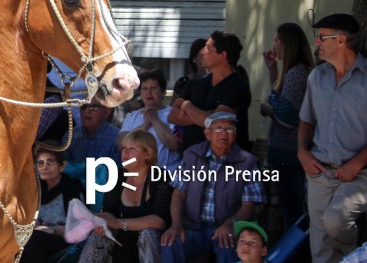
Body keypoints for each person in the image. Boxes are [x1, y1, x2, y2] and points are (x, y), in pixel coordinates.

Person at [298, 13, 367, 263]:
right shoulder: (317, 77)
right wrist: (302, 153)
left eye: (322, 37)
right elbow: (306, 121)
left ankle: (356, 257)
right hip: (319, 172)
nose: (317, 42)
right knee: (320, 249)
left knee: (335, 220)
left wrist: (356, 164)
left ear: (341, 40)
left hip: (360, 173)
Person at [160, 111, 266, 263]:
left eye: (229, 129)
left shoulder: (247, 162)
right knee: (171, 241)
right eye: (218, 128)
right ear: (207, 134)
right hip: (193, 227)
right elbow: (178, 194)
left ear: (235, 135)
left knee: (229, 244)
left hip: (224, 227)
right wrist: (176, 225)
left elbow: (248, 205)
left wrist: (229, 225)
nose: (224, 133)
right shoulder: (192, 155)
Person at [77, 130, 172, 263]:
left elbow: (160, 221)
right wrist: (101, 221)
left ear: (147, 154)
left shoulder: (160, 177)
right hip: (121, 237)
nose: (125, 153)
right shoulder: (117, 176)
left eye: (132, 149)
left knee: (148, 234)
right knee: (98, 236)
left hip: (152, 241)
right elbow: (109, 213)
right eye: (124, 148)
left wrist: (119, 223)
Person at [259, 22, 314, 229]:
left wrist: (265, 108)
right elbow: (279, 98)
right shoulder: (291, 72)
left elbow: (286, 116)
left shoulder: (297, 74)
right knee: (287, 211)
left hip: (290, 156)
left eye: (276, 40)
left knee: (293, 214)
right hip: (285, 156)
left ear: (287, 44)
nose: (274, 45)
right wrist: (272, 70)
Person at [169, 31, 252, 151]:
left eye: (208, 48)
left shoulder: (238, 86)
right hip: (191, 160)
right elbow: (172, 115)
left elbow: (218, 122)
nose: (203, 52)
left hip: (225, 163)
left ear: (222, 55)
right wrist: (206, 116)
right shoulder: (196, 82)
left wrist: (186, 105)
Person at [20, 145, 86, 263]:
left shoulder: (72, 188)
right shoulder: (37, 189)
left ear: (62, 166)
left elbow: (80, 228)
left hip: (64, 240)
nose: (45, 167)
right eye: (40, 163)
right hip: (39, 236)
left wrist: (52, 230)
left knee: (32, 239)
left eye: (50, 162)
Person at [120, 69, 181, 171]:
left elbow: (175, 145)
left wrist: (155, 120)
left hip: (168, 175)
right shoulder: (131, 116)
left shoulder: (174, 114)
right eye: (144, 88)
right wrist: (146, 124)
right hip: (138, 175)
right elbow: (121, 143)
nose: (148, 92)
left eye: (153, 88)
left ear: (163, 92)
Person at [171, 38, 207, 105]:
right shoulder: (183, 83)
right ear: (194, 59)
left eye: (209, 55)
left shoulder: (216, 82)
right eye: (202, 56)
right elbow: (173, 109)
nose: (207, 59)